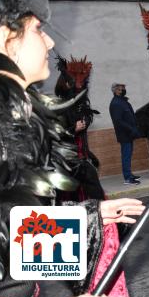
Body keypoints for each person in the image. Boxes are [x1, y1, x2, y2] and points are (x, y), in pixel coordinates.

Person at [0, 0, 145, 297]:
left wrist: (87, 220)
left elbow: (10, 238)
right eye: (38, 30)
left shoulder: (14, 118)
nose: (49, 43)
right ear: (7, 38)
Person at [55, 55, 105, 200]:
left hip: (81, 158)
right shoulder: (60, 106)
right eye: (74, 80)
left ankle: (98, 215)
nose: (79, 84)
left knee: (93, 190)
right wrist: (72, 129)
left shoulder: (80, 105)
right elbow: (56, 135)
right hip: (68, 162)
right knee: (72, 196)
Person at [109, 83, 142, 185]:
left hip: (129, 134)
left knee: (128, 155)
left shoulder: (122, 101)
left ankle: (129, 174)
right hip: (125, 134)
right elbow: (118, 121)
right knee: (126, 155)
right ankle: (127, 178)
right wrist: (131, 129)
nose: (123, 90)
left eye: (123, 88)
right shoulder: (116, 103)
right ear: (115, 91)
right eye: (121, 89)